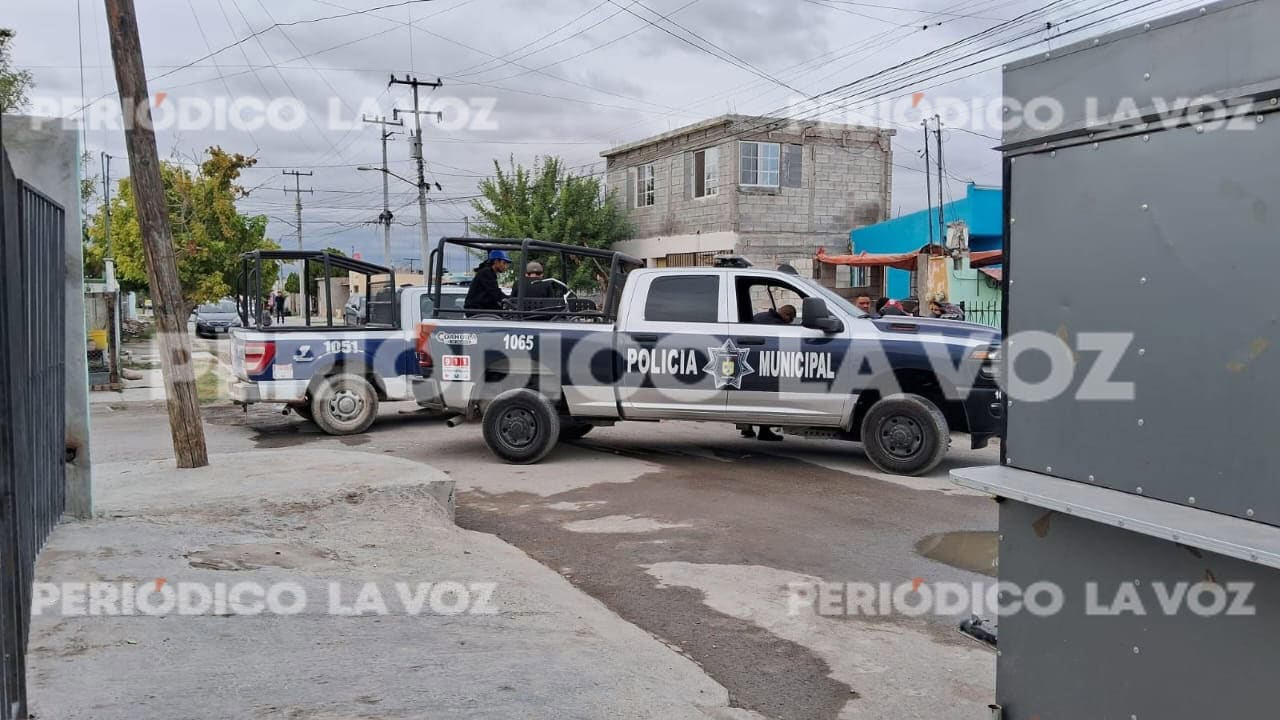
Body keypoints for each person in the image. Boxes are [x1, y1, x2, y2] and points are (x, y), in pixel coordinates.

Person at [739, 303, 796, 443]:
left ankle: (747, 427)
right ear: (786, 315)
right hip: (765, 364)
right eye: (791, 319)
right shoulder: (778, 324)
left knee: (751, 396)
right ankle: (764, 431)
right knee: (767, 396)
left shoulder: (761, 316)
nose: (791, 322)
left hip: (749, 360)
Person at [464, 250, 511, 314]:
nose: (506, 267)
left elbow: (493, 295)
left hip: (482, 308)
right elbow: (495, 293)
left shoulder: (488, 272)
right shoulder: (486, 273)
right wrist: (510, 299)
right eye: (504, 263)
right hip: (476, 310)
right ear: (496, 261)